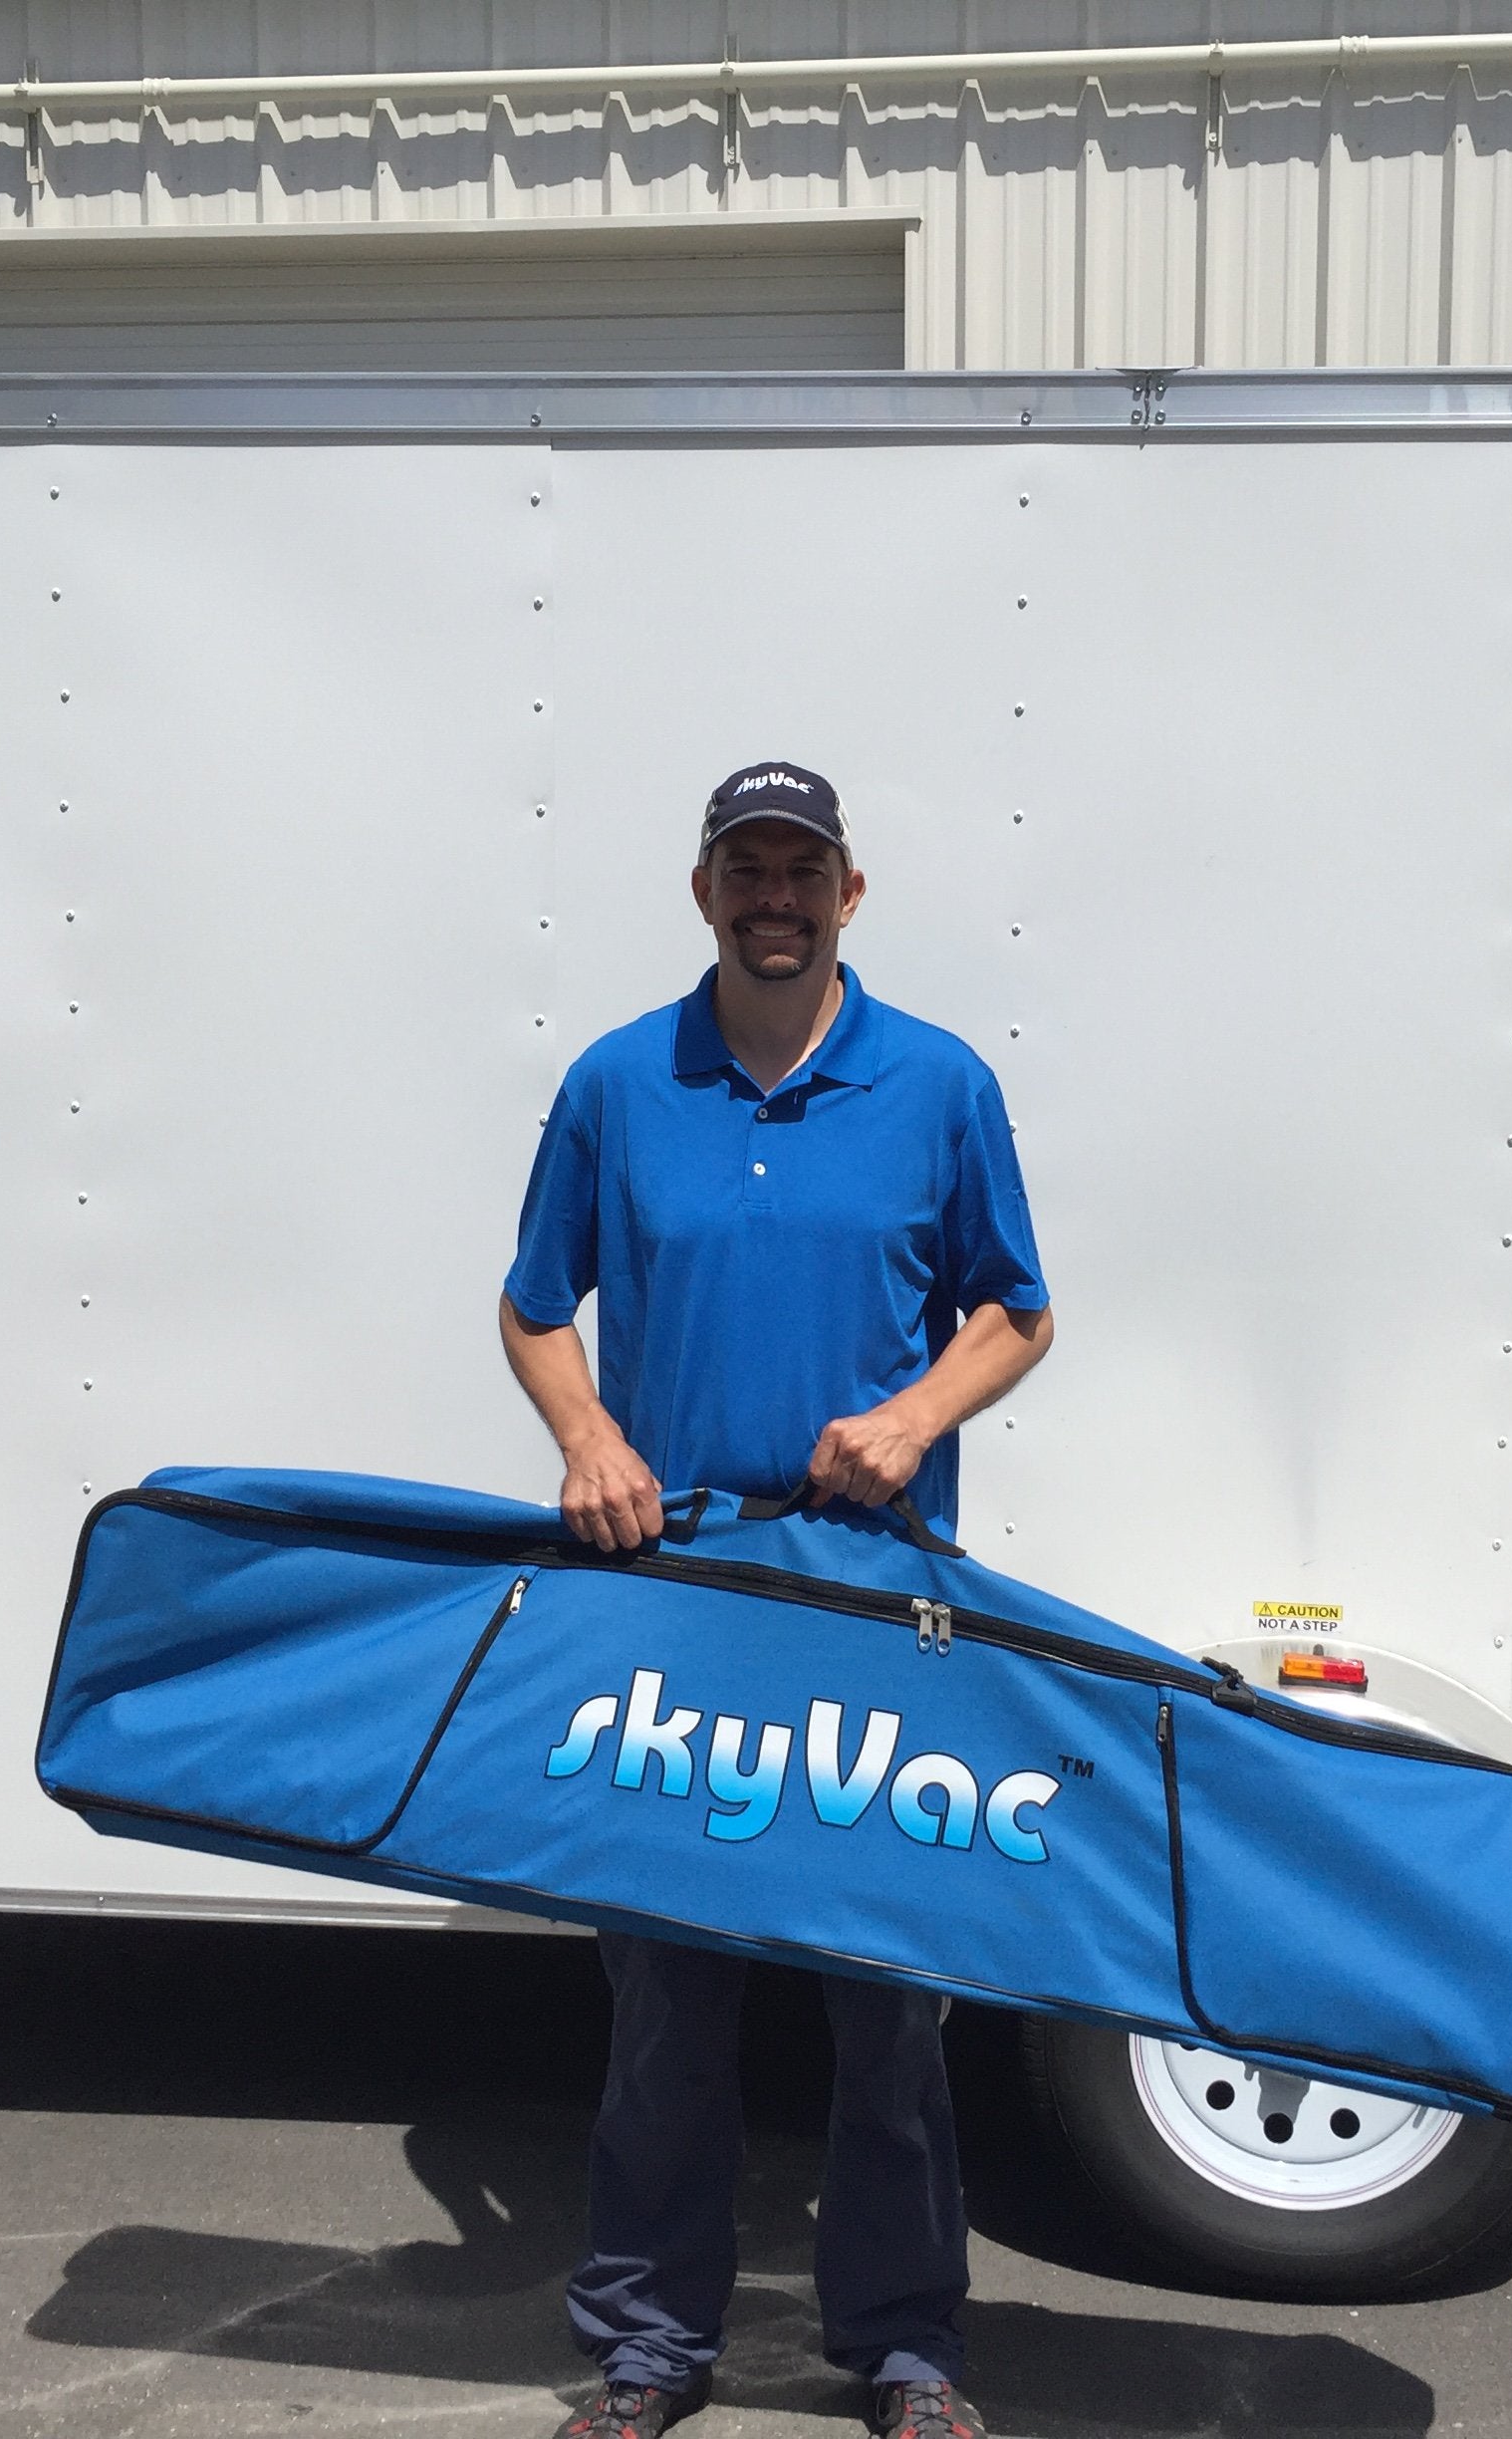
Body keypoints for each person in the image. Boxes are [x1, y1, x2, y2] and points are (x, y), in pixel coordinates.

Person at [498, 759, 1054, 2439]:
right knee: (669, 1996)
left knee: (889, 2001)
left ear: (850, 894)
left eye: (802, 870)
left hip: (875, 1604)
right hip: (669, 1596)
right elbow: (535, 1307)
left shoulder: (938, 1085)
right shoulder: (617, 1084)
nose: (776, 899)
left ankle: (907, 2353)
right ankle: (651, 2349)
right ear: (704, 893)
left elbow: (1016, 1311)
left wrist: (910, 1420)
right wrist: (591, 1436)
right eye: (746, 869)